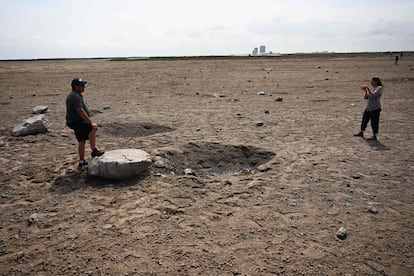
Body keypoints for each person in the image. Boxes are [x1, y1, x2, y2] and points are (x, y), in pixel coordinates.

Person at [66, 78, 104, 168]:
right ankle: (94, 151)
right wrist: (91, 122)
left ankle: (82, 161)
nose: (84, 87)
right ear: (76, 87)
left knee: (82, 141)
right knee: (93, 128)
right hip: (77, 121)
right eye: (82, 85)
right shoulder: (75, 96)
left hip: (74, 121)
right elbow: (80, 111)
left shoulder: (75, 95)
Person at [354, 77, 383, 141]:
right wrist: (365, 91)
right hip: (369, 107)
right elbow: (366, 97)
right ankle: (361, 132)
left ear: (376, 82)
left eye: (372, 81)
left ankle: (374, 135)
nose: (371, 82)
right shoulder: (372, 88)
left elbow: (373, 95)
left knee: (374, 122)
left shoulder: (379, 88)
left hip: (375, 108)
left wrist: (368, 90)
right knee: (364, 120)